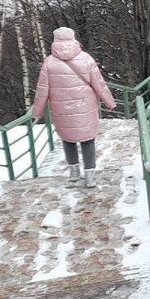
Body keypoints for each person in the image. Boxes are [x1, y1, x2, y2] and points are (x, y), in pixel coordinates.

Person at [31, 27, 116, 188]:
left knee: (68, 139)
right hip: (85, 106)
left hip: (61, 108)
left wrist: (38, 111)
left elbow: (42, 89)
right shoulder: (86, 59)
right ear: (73, 38)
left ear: (55, 40)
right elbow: (99, 83)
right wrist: (109, 102)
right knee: (88, 139)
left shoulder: (49, 62)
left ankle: (74, 173)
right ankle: (90, 176)